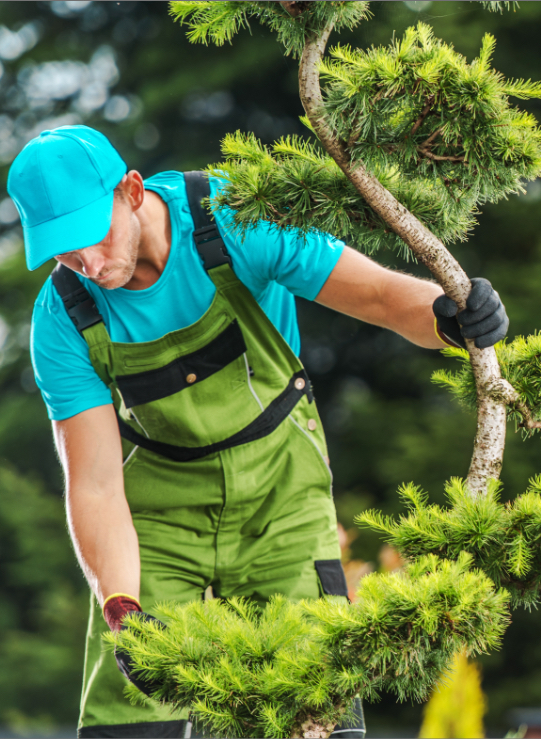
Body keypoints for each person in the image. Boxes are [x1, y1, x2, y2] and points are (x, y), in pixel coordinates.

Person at [8, 125, 508, 739]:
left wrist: (448, 317)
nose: (85, 263)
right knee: (130, 721)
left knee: (310, 709)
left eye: (90, 236)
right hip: (158, 522)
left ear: (132, 191)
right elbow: (95, 486)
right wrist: (122, 608)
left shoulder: (235, 217)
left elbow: (378, 296)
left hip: (282, 497)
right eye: (61, 252)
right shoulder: (63, 316)